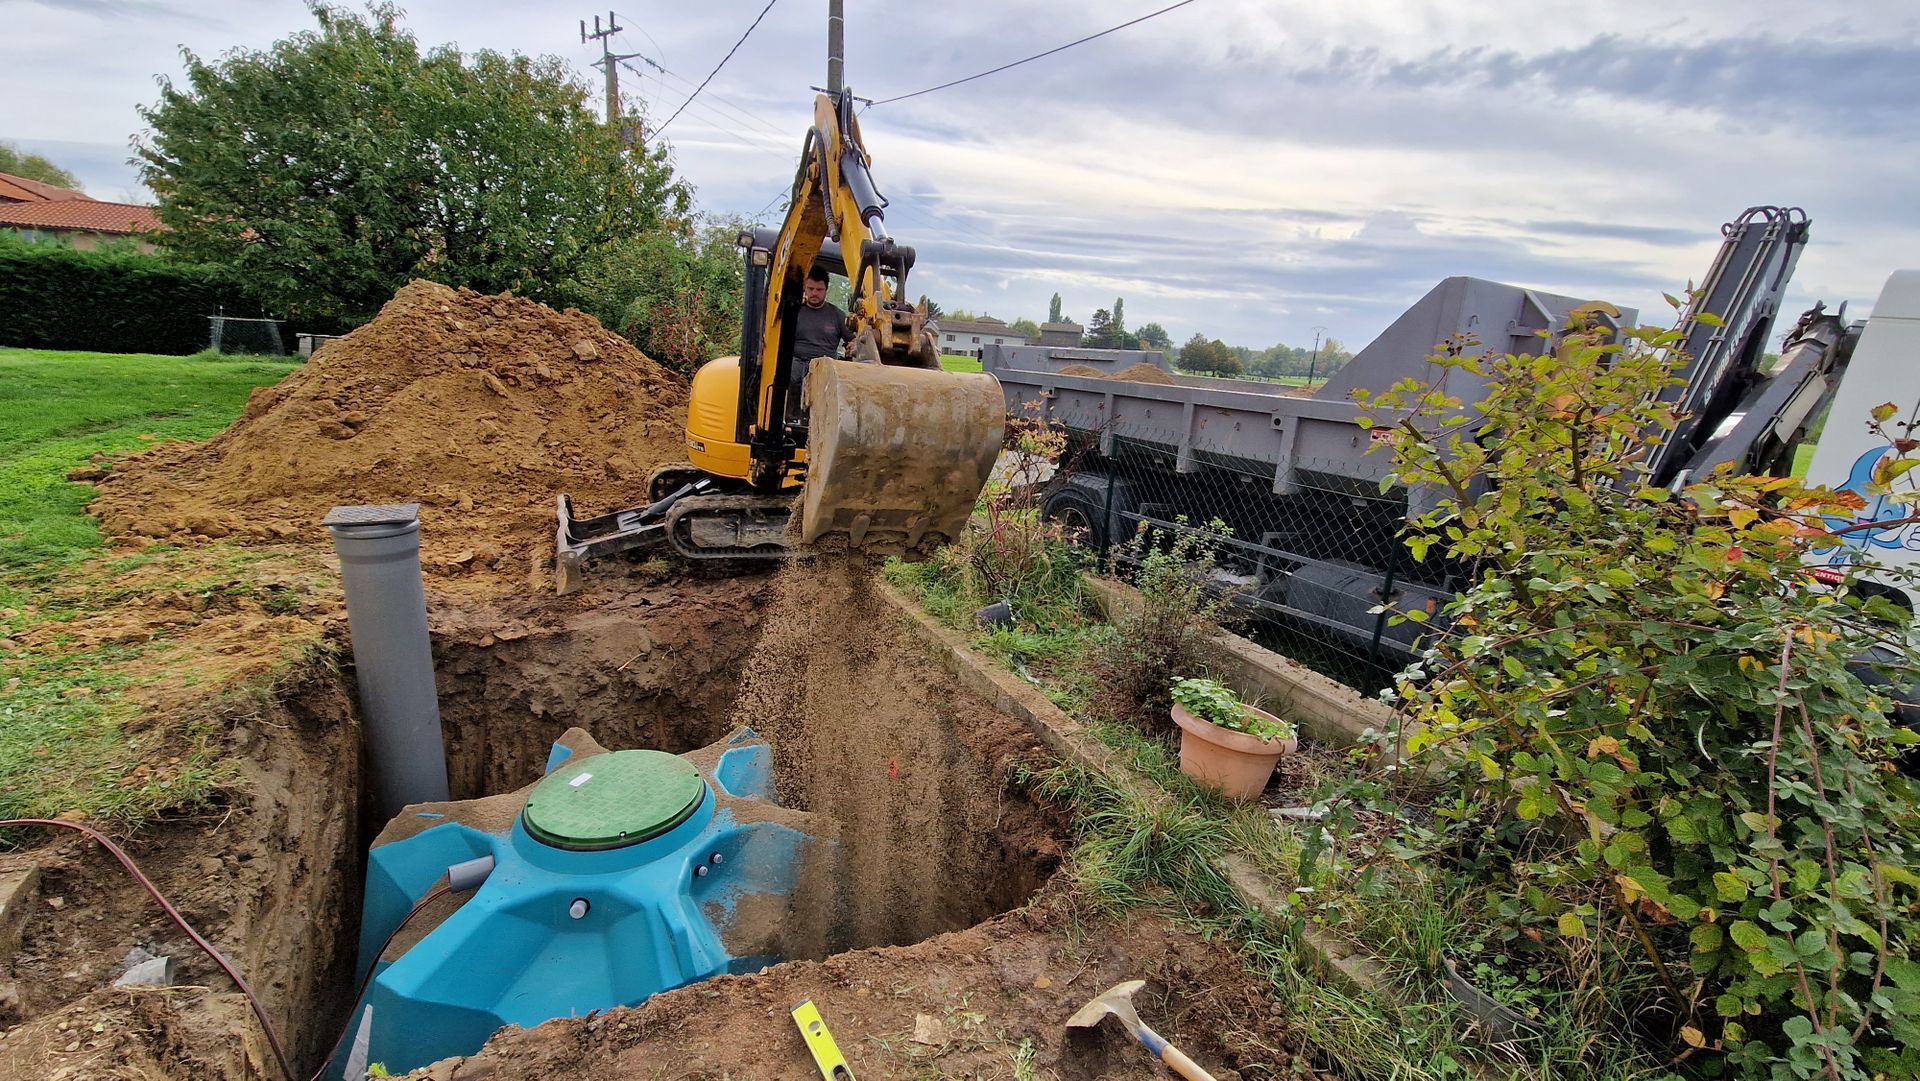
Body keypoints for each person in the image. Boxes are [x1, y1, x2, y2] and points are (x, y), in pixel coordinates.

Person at [789, 266, 852, 418]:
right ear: (804, 288)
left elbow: (853, 339)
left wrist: (853, 344)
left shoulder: (837, 316)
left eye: (819, 289)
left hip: (825, 364)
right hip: (797, 361)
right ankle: (789, 418)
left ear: (826, 290)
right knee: (787, 375)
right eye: (810, 289)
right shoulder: (794, 311)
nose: (814, 293)